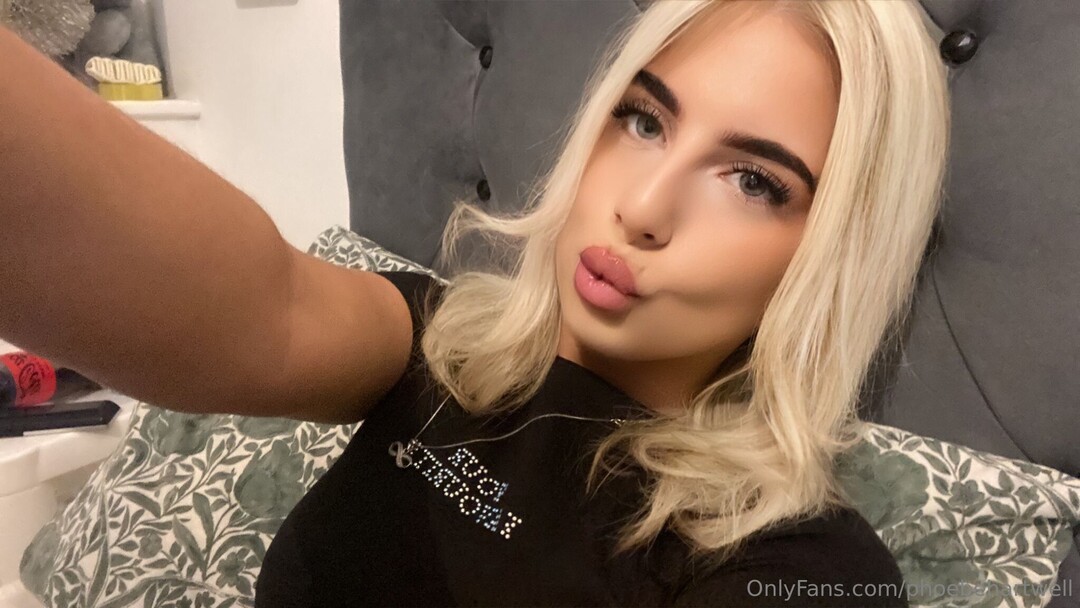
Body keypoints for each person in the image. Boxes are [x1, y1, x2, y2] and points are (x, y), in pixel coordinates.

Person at [0, 0, 946, 605]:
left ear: (831, 253)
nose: (643, 207)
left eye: (753, 181)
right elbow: (263, 303)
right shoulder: (441, 344)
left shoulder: (805, 567)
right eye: (644, 119)